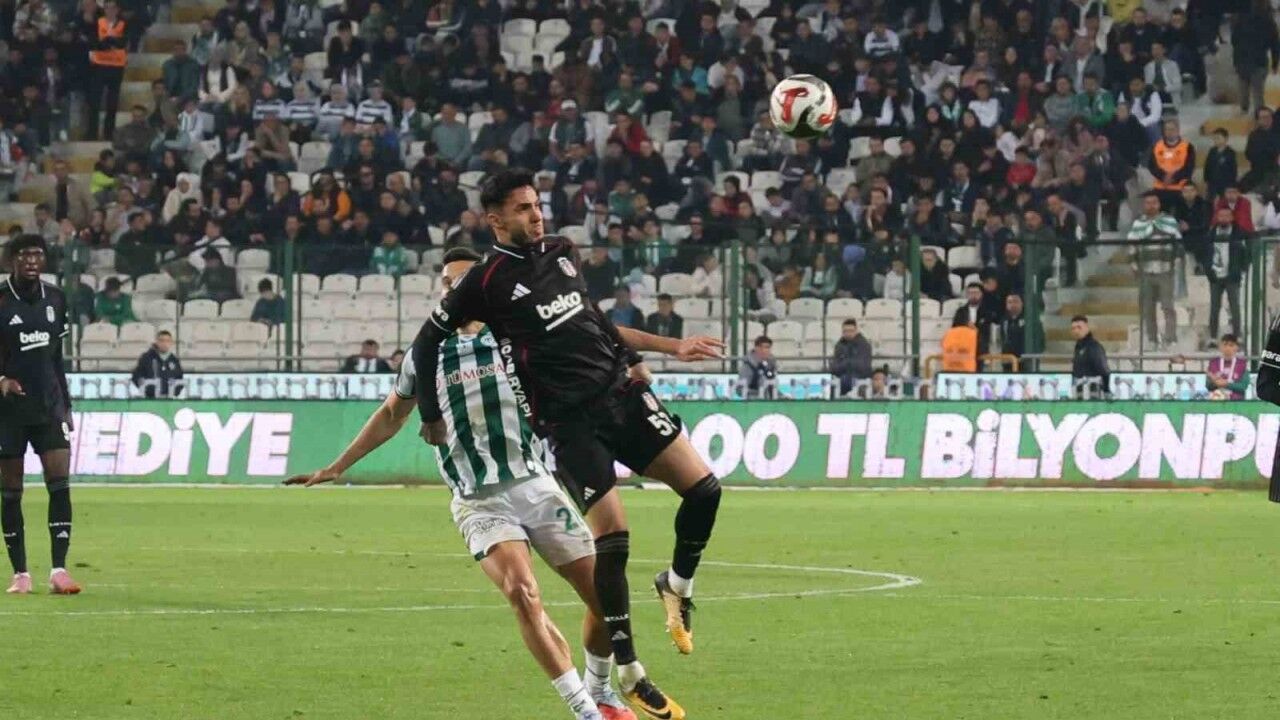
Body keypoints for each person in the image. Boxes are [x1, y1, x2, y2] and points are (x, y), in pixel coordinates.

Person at [411, 170, 726, 720]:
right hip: (568, 422)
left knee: (704, 490)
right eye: (524, 208)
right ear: (495, 219)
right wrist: (432, 416)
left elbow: (594, 319)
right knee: (613, 540)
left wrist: (653, 353)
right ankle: (626, 674)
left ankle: (676, 587)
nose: (537, 215)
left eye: (538, 205)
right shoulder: (483, 282)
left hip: (619, 394)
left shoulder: (561, 251)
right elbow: (424, 342)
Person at [287, 248, 636, 720]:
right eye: (447, 284)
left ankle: (601, 689)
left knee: (604, 599)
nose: (454, 290)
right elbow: (392, 413)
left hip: (536, 486)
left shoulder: (517, 336)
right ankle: (584, 711)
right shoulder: (426, 352)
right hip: (478, 500)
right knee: (522, 592)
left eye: (463, 281)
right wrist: (337, 466)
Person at [0, 235, 80, 594]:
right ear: (11, 260)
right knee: (11, 491)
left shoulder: (56, 298)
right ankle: (20, 574)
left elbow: (56, 358)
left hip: (49, 406)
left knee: (60, 483)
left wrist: (66, 405)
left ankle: (59, 570)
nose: (32, 260)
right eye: (24, 255)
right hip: (8, 411)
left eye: (37, 255)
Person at [1128, 191, 1182, 347]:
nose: (1151, 206)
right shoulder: (1138, 224)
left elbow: (1178, 243)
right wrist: (1133, 265)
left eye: (1154, 203)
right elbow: (1132, 246)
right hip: (1145, 271)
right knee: (1148, 308)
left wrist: (1177, 262)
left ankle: (1170, 339)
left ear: (1159, 204)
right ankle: (1152, 339)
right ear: (1144, 205)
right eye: (1148, 203)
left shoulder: (1169, 221)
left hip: (1165, 270)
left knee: (1167, 306)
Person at [1201, 206, 1250, 341]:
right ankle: (1213, 337)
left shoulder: (1239, 234)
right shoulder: (1210, 234)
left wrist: (1240, 269)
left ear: (1232, 217)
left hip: (1232, 276)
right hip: (1215, 276)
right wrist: (1208, 271)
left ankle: (1237, 336)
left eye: (1227, 216)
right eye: (1221, 216)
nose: (1223, 219)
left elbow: (1246, 254)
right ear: (1217, 217)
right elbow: (1205, 254)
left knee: (1235, 307)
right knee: (1214, 308)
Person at [87, 0, 129, 141]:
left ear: (117, 9)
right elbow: (94, 42)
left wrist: (108, 41)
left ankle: (109, 133)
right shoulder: (97, 23)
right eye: (107, 8)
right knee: (94, 102)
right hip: (99, 66)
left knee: (112, 102)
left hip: (116, 66)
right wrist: (110, 42)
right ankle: (92, 133)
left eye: (112, 8)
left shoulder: (124, 24)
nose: (110, 11)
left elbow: (123, 42)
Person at [131, 330, 184, 399]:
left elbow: (180, 379)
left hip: (169, 400)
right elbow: (136, 376)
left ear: (171, 343)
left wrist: (174, 393)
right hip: (150, 399)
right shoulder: (147, 358)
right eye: (162, 340)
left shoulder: (174, 360)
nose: (164, 343)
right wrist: (147, 390)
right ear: (157, 342)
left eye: (167, 341)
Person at [1070, 315, 1110, 398]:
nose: (1076, 331)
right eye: (1073, 328)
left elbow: (1104, 371)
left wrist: (1106, 391)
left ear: (1087, 327)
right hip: (1080, 392)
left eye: (1079, 327)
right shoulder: (1078, 347)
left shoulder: (1094, 346)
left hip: (1093, 393)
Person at [830, 319, 872, 396]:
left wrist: (845, 362)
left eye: (850, 331)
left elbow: (862, 367)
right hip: (842, 378)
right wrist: (848, 363)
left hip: (859, 379)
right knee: (829, 383)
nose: (848, 333)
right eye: (845, 331)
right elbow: (834, 368)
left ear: (856, 331)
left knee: (846, 381)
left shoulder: (864, 345)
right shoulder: (839, 345)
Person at [1207, 334, 1250, 400]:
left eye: (1231, 345)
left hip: (1237, 402)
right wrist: (1215, 383)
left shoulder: (1242, 364)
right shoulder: (1213, 363)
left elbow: (1244, 386)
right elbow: (1208, 385)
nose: (1228, 348)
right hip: (1217, 400)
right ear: (1220, 347)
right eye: (1225, 345)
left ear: (1236, 348)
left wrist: (1226, 384)